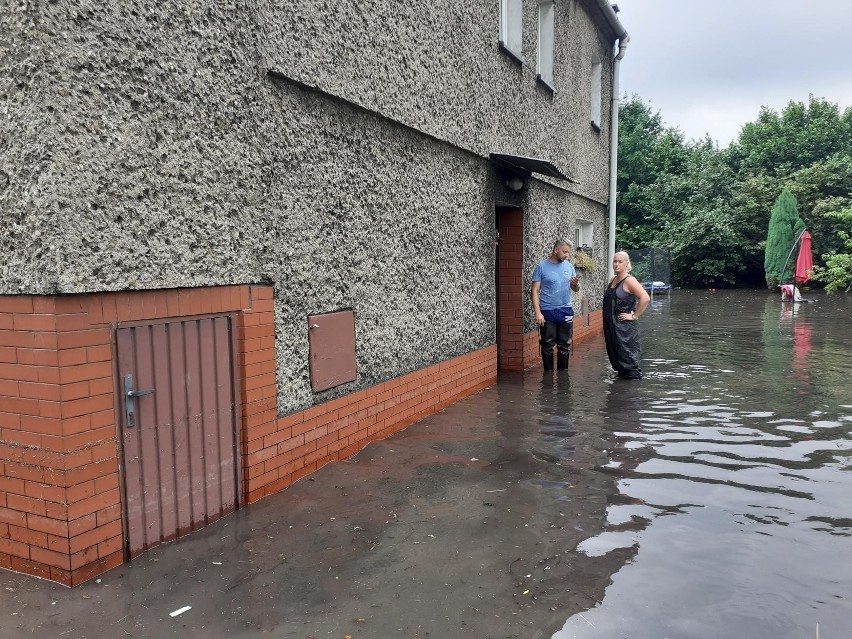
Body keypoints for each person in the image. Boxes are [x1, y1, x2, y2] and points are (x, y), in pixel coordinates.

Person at [531, 239, 580, 371]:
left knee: (564, 345)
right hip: (547, 311)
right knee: (547, 345)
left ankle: (563, 378)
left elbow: (575, 289)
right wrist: (538, 312)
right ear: (556, 250)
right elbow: (535, 291)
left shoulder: (569, 266)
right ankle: (548, 378)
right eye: (564, 252)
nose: (566, 255)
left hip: (566, 310)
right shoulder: (541, 267)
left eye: (568, 253)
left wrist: (575, 284)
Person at [603, 251, 650, 379]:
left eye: (620, 262)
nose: (616, 264)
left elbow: (645, 298)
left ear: (626, 264)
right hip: (612, 328)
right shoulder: (613, 280)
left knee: (628, 360)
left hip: (625, 330)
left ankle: (632, 392)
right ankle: (620, 392)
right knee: (617, 358)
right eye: (615, 261)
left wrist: (634, 315)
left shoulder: (630, 281)